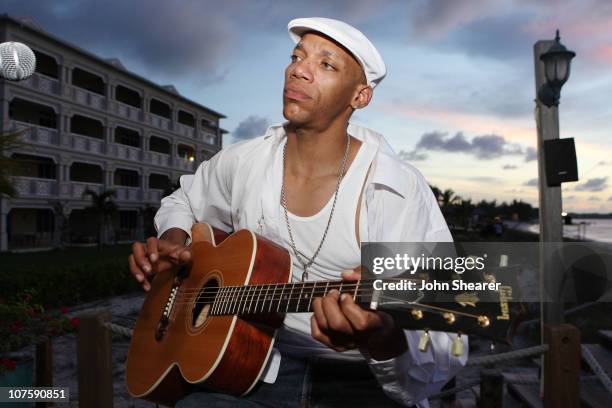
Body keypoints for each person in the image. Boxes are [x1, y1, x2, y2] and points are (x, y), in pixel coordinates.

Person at [129, 17, 467, 408]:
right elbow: (184, 200)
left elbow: (446, 338)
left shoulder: (394, 189)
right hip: (255, 363)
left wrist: (381, 336)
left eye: (326, 65)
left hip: (360, 379)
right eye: (296, 56)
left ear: (360, 97)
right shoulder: (245, 162)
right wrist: (173, 243)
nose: (298, 69)